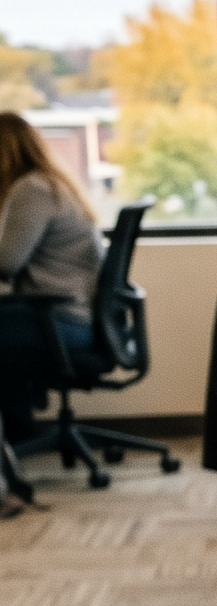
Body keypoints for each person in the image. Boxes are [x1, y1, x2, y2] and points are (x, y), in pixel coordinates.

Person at [0, 112, 103, 447]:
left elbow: (6, 263)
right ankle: (18, 431)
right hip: (73, 319)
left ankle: (15, 438)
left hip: (60, 322)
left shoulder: (31, 189)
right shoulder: (52, 184)